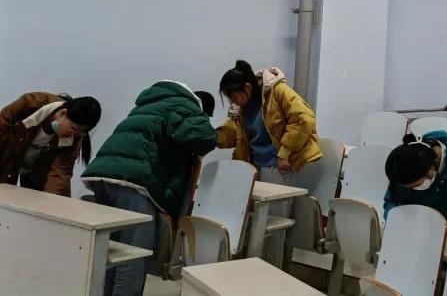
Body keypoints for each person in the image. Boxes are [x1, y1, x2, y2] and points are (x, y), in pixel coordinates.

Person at [82, 82, 217, 296]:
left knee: (114, 252)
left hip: (102, 178)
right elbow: (206, 138)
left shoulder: (150, 103)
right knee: (135, 255)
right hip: (133, 184)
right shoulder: (185, 105)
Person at [216, 60, 321, 265]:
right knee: (257, 224)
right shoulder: (242, 108)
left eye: (233, 96)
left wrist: (284, 154)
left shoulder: (278, 91)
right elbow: (232, 132)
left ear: (247, 87)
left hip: (279, 167)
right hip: (257, 167)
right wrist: (211, 137)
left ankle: (271, 269)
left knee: (273, 224)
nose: (232, 101)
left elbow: (305, 119)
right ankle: (256, 266)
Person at [0, 91, 101, 196]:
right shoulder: (30, 103)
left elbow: (60, 173)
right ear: (63, 113)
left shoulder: (75, 137)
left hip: (35, 174)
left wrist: (53, 202)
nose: (73, 135)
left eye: (80, 132)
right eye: (73, 129)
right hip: (5, 158)